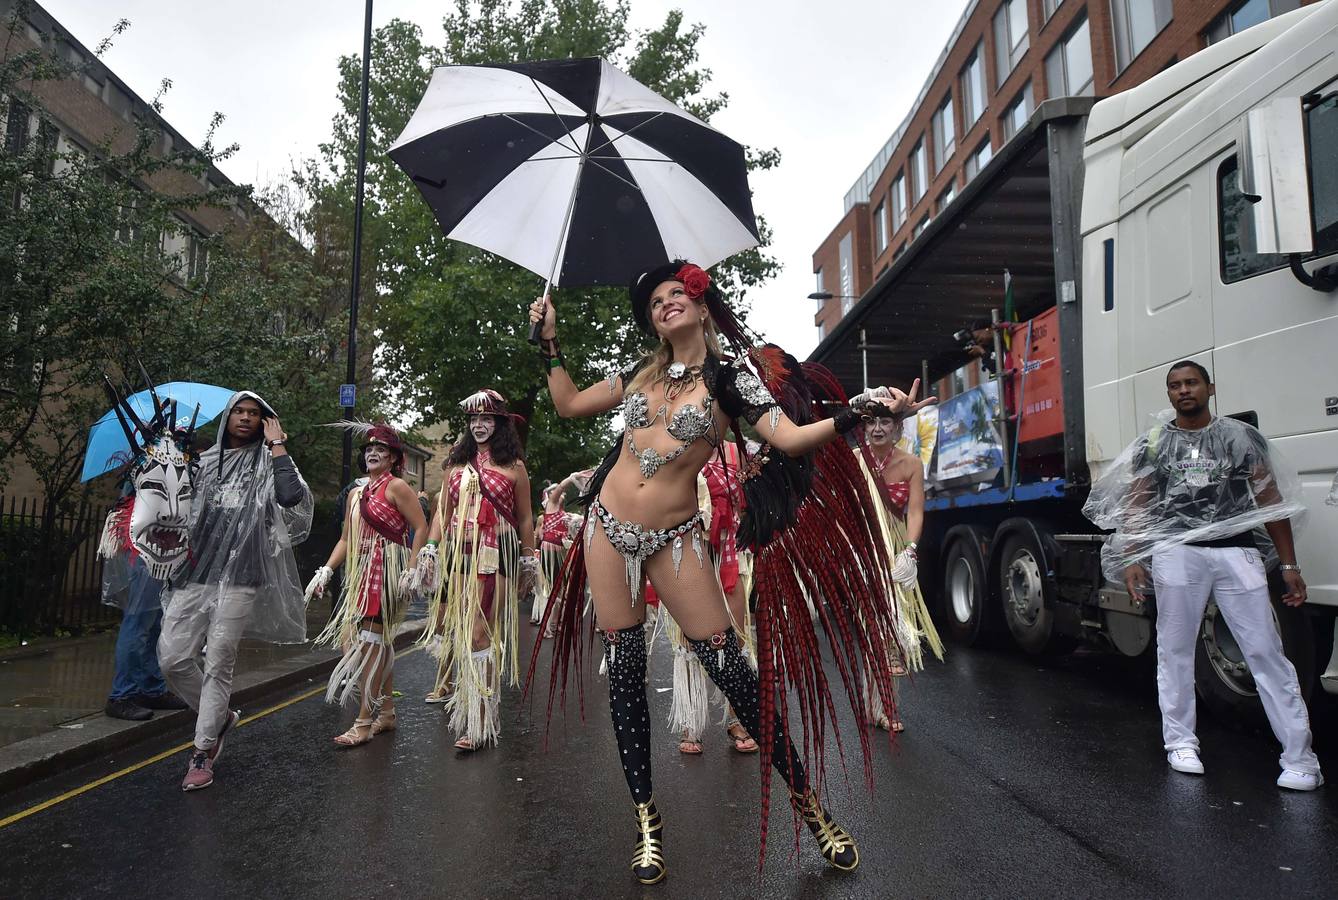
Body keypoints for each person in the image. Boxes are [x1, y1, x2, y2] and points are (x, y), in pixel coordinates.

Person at [528, 260, 932, 882]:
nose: (664, 303)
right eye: (655, 300)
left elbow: (793, 439)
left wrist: (860, 407)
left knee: (732, 671)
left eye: (673, 293)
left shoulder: (730, 379)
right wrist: (549, 340)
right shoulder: (642, 375)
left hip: (673, 538)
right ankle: (647, 823)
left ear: (698, 301)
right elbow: (568, 403)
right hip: (605, 530)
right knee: (627, 673)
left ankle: (810, 807)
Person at [1084, 361, 1321, 791]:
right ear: (1169, 394)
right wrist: (1134, 557)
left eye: (1191, 383)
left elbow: (1271, 503)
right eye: (1174, 386)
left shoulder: (1238, 437)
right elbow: (1138, 504)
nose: (1183, 391)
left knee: (1265, 650)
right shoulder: (1155, 444)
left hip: (1237, 552)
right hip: (1177, 555)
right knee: (1174, 649)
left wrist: (1289, 566)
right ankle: (1180, 742)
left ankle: (1301, 757)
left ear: (1210, 387)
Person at [157, 392, 313, 792]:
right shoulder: (204, 461)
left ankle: (202, 749)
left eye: (254, 413)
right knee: (173, 658)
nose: (245, 418)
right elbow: (174, 506)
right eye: (239, 412)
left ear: (265, 420)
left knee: (219, 660)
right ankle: (220, 716)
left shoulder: (272, 460)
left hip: (242, 575)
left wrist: (277, 445)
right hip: (195, 571)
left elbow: (291, 498)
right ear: (227, 417)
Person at [411, 390, 537, 751]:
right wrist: (430, 550)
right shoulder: (454, 464)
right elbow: (441, 514)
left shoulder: (513, 466)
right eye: (474, 420)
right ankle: (474, 712)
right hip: (460, 556)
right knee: (465, 634)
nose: (479, 425)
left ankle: (482, 720)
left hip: (497, 555)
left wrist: (529, 558)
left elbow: (526, 516)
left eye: (487, 419)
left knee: (481, 633)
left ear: (499, 423)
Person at [305, 424, 428, 746]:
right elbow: (346, 538)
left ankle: (363, 722)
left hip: (387, 570)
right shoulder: (356, 494)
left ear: (393, 458)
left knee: (371, 645)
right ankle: (386, 713)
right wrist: (327, 571)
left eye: (381, 450)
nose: (373, 453)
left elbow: (421, 527)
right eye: (369, 450)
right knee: (367, 643)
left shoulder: (398, 487)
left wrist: (412, 569)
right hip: (361, 573)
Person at [857, 406, 944, 732]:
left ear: (896, 427)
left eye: (885, 421)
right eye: (871, 421)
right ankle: (873, 705)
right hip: (863, 549)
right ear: (863, 426)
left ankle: (887, 707)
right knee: (872, 626)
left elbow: (916, 512)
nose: (877, 428)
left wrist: (910, 551)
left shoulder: (911, 463)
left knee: (896, 624)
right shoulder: (855, 460)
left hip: (895, 550)